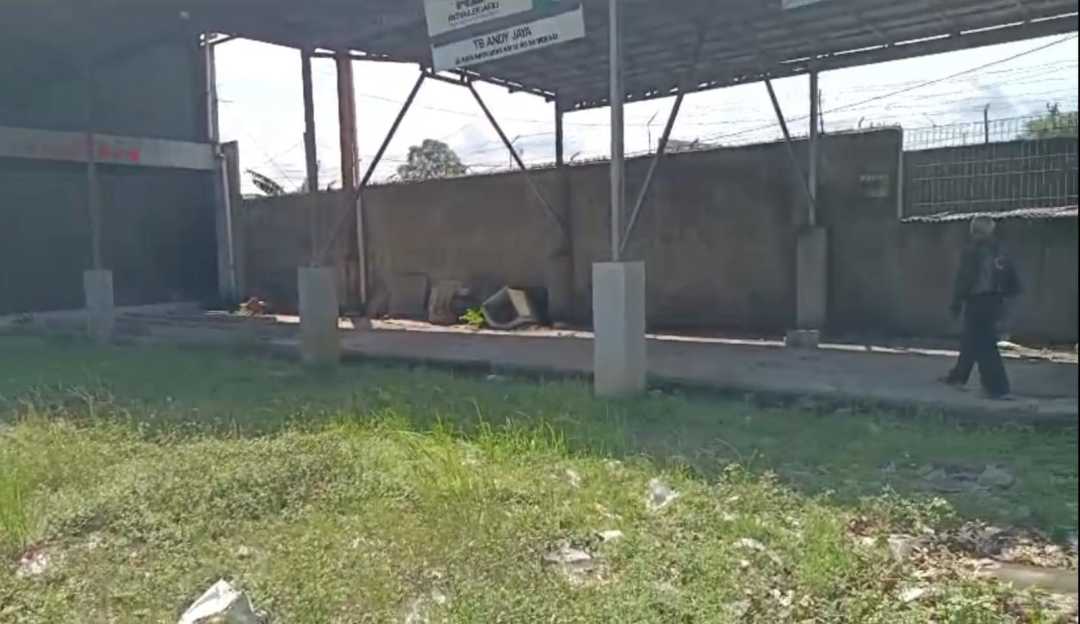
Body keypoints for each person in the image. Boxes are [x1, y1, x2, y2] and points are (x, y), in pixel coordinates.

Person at [942, 216, 1022, 399]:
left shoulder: (972, 251)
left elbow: (964, 279)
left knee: (984, 344)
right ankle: (958, 376)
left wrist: (956, 303)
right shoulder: (999, 250)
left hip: (977, 301)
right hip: (994, 301)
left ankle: (997, 387)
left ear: (974, 231)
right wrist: (1007, 296)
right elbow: (1010, 275)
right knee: (971, 339)